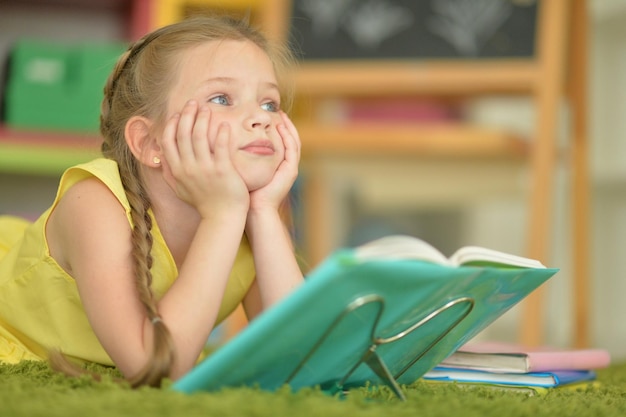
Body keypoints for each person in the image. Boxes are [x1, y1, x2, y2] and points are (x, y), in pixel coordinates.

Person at [0, 15, 304, 387]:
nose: (261, 118)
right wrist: (222, 216)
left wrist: (264, 212)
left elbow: (304, 357)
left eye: (270, 104)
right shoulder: (94, 203)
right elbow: (154, 368)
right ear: (150, 142)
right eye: (222, 98)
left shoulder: (254, 209)